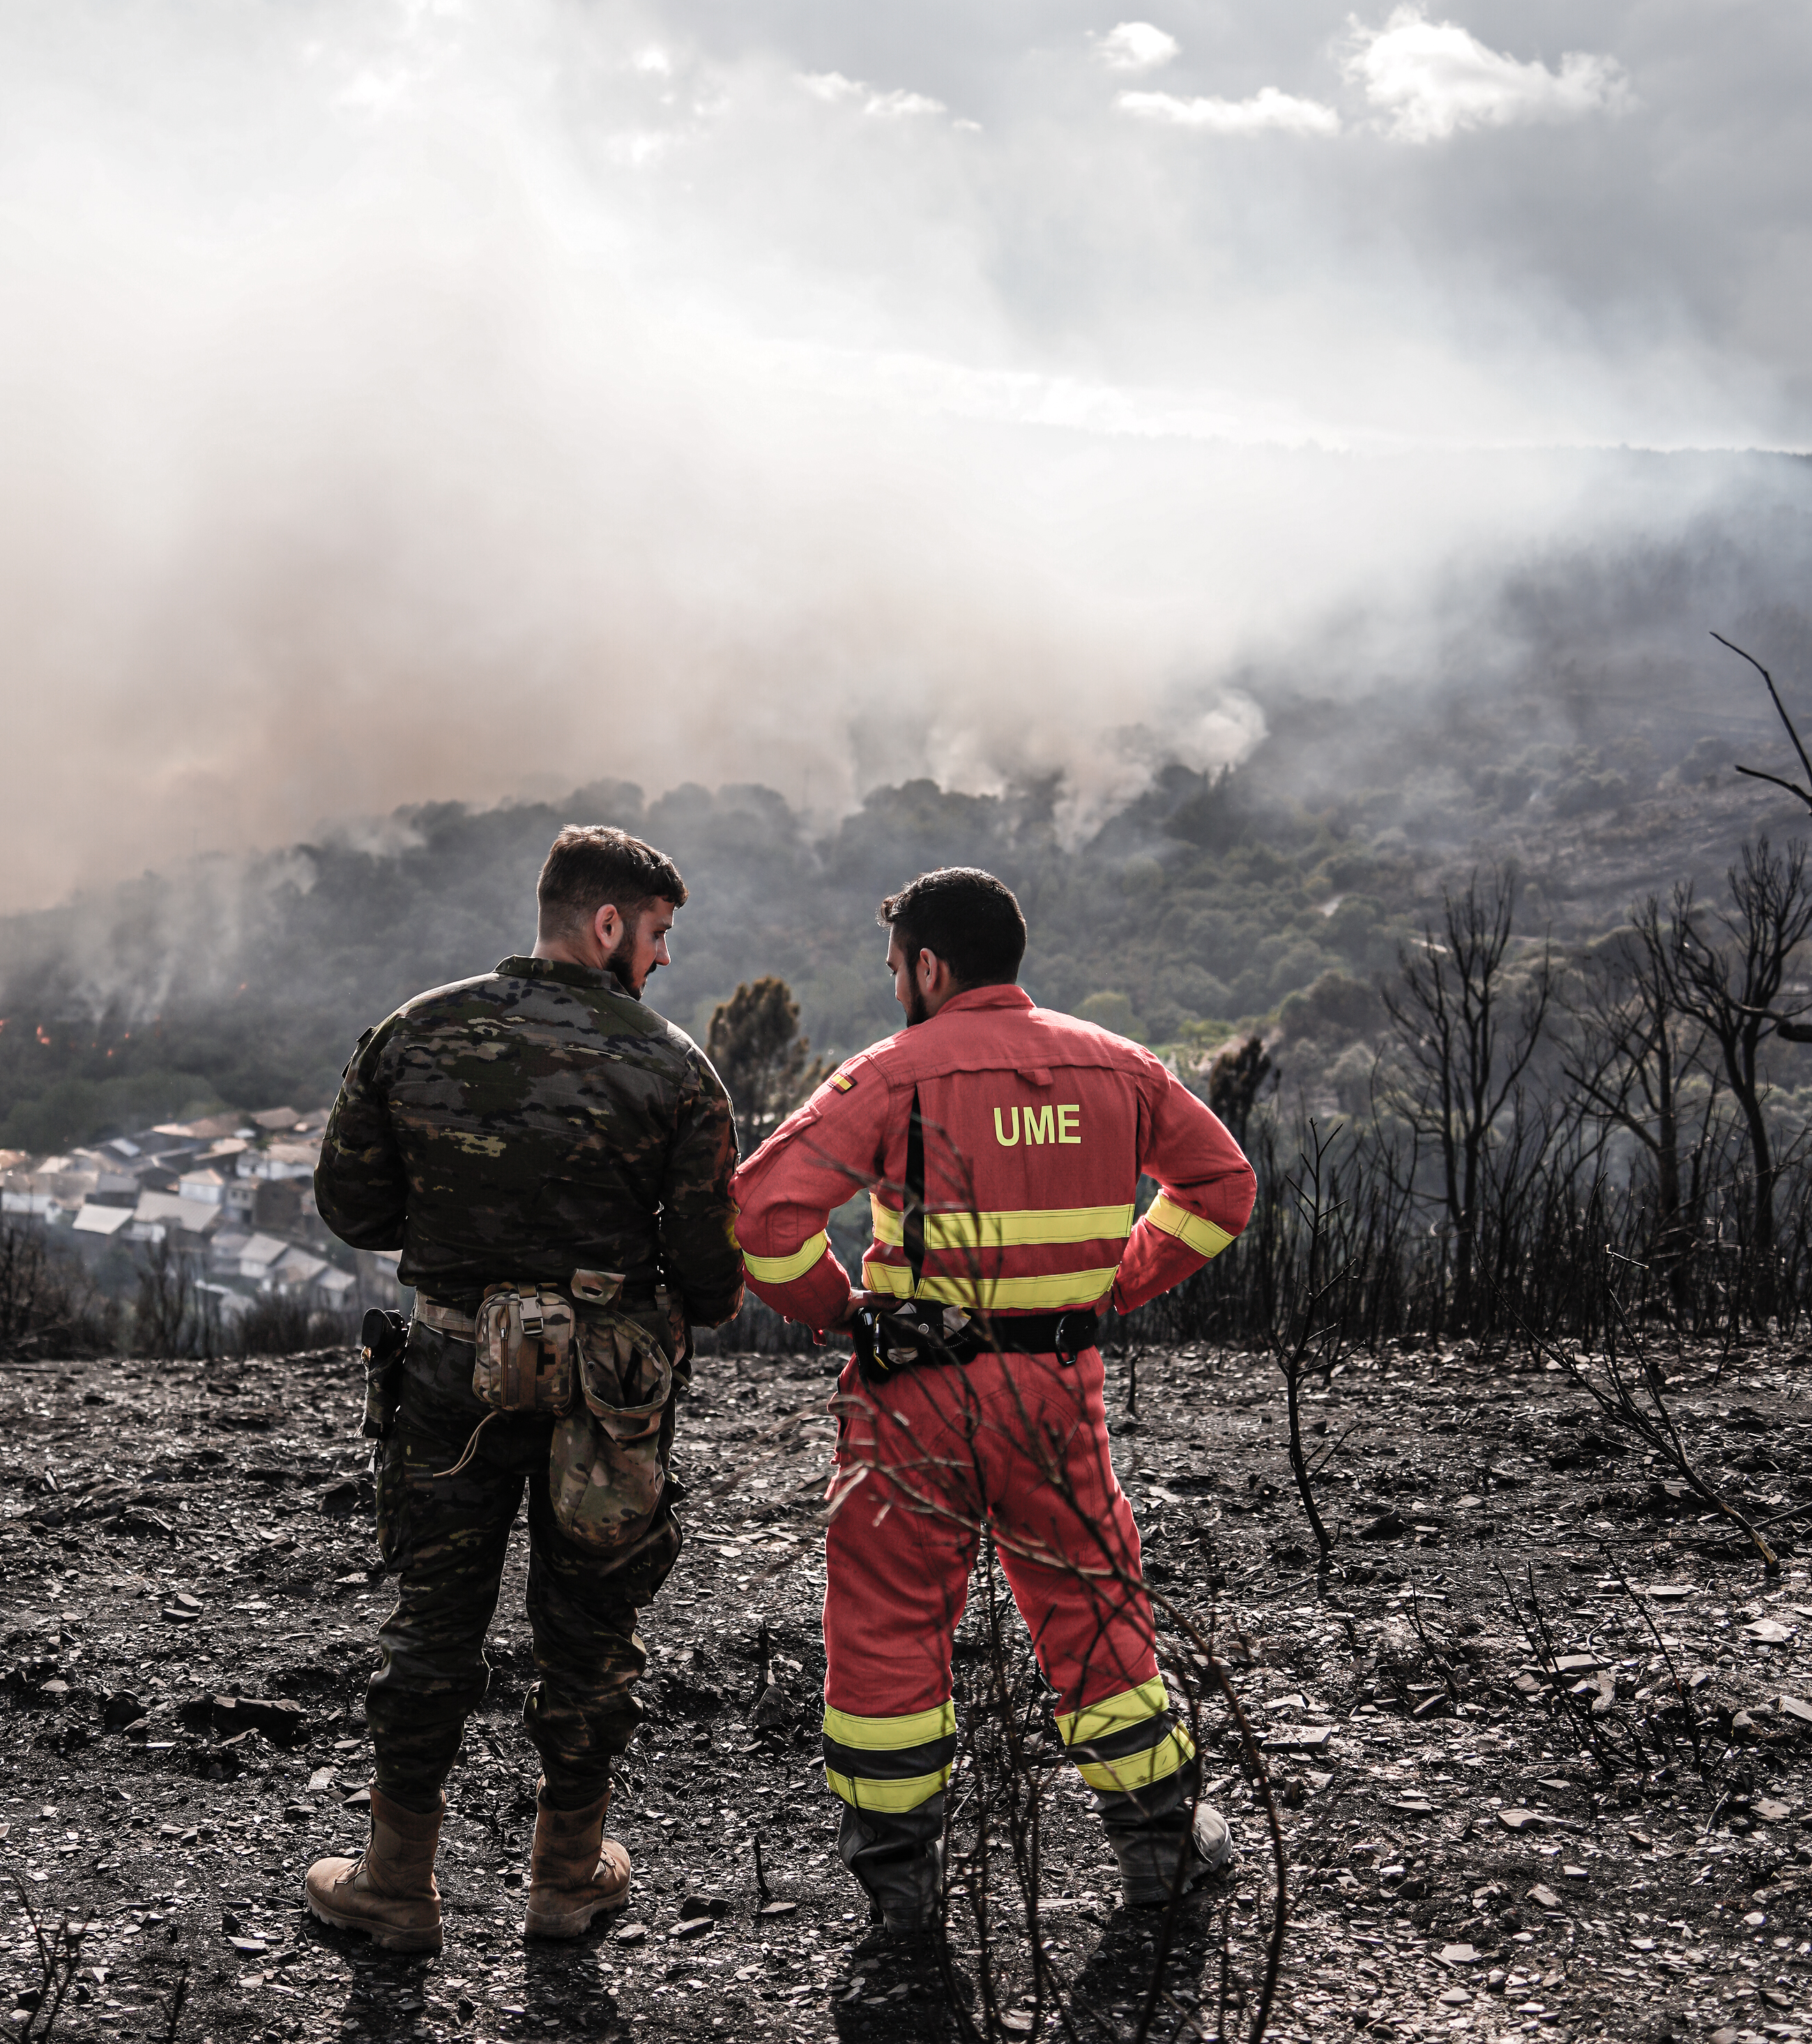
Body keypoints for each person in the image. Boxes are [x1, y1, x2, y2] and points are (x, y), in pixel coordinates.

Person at [729, 865, 1256, 1925]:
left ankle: (900, 1889)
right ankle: (1159, 1847)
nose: (894, 990)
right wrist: (1122, 1279)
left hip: (912, 1400)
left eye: (895, 971)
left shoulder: (891, 1074)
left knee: (885, 1624)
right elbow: (1223, 1188)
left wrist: (841, 1312)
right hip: (1058, 1395)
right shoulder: (1118, 1067)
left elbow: (761, 1217)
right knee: (1094, 1612)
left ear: (930, 966)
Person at [306, 822, 741, 1953]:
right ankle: (566, 1879)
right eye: (654, 936)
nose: (660, 960)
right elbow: (710, 1272)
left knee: (433, 1627)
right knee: (589, 1629)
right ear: (607, 925)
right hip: (610, 1390)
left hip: (451, 1368)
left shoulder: (417, 1031)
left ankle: (397, 1885)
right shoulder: (673, 1067)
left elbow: (352, 1209)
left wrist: (464, 1243)